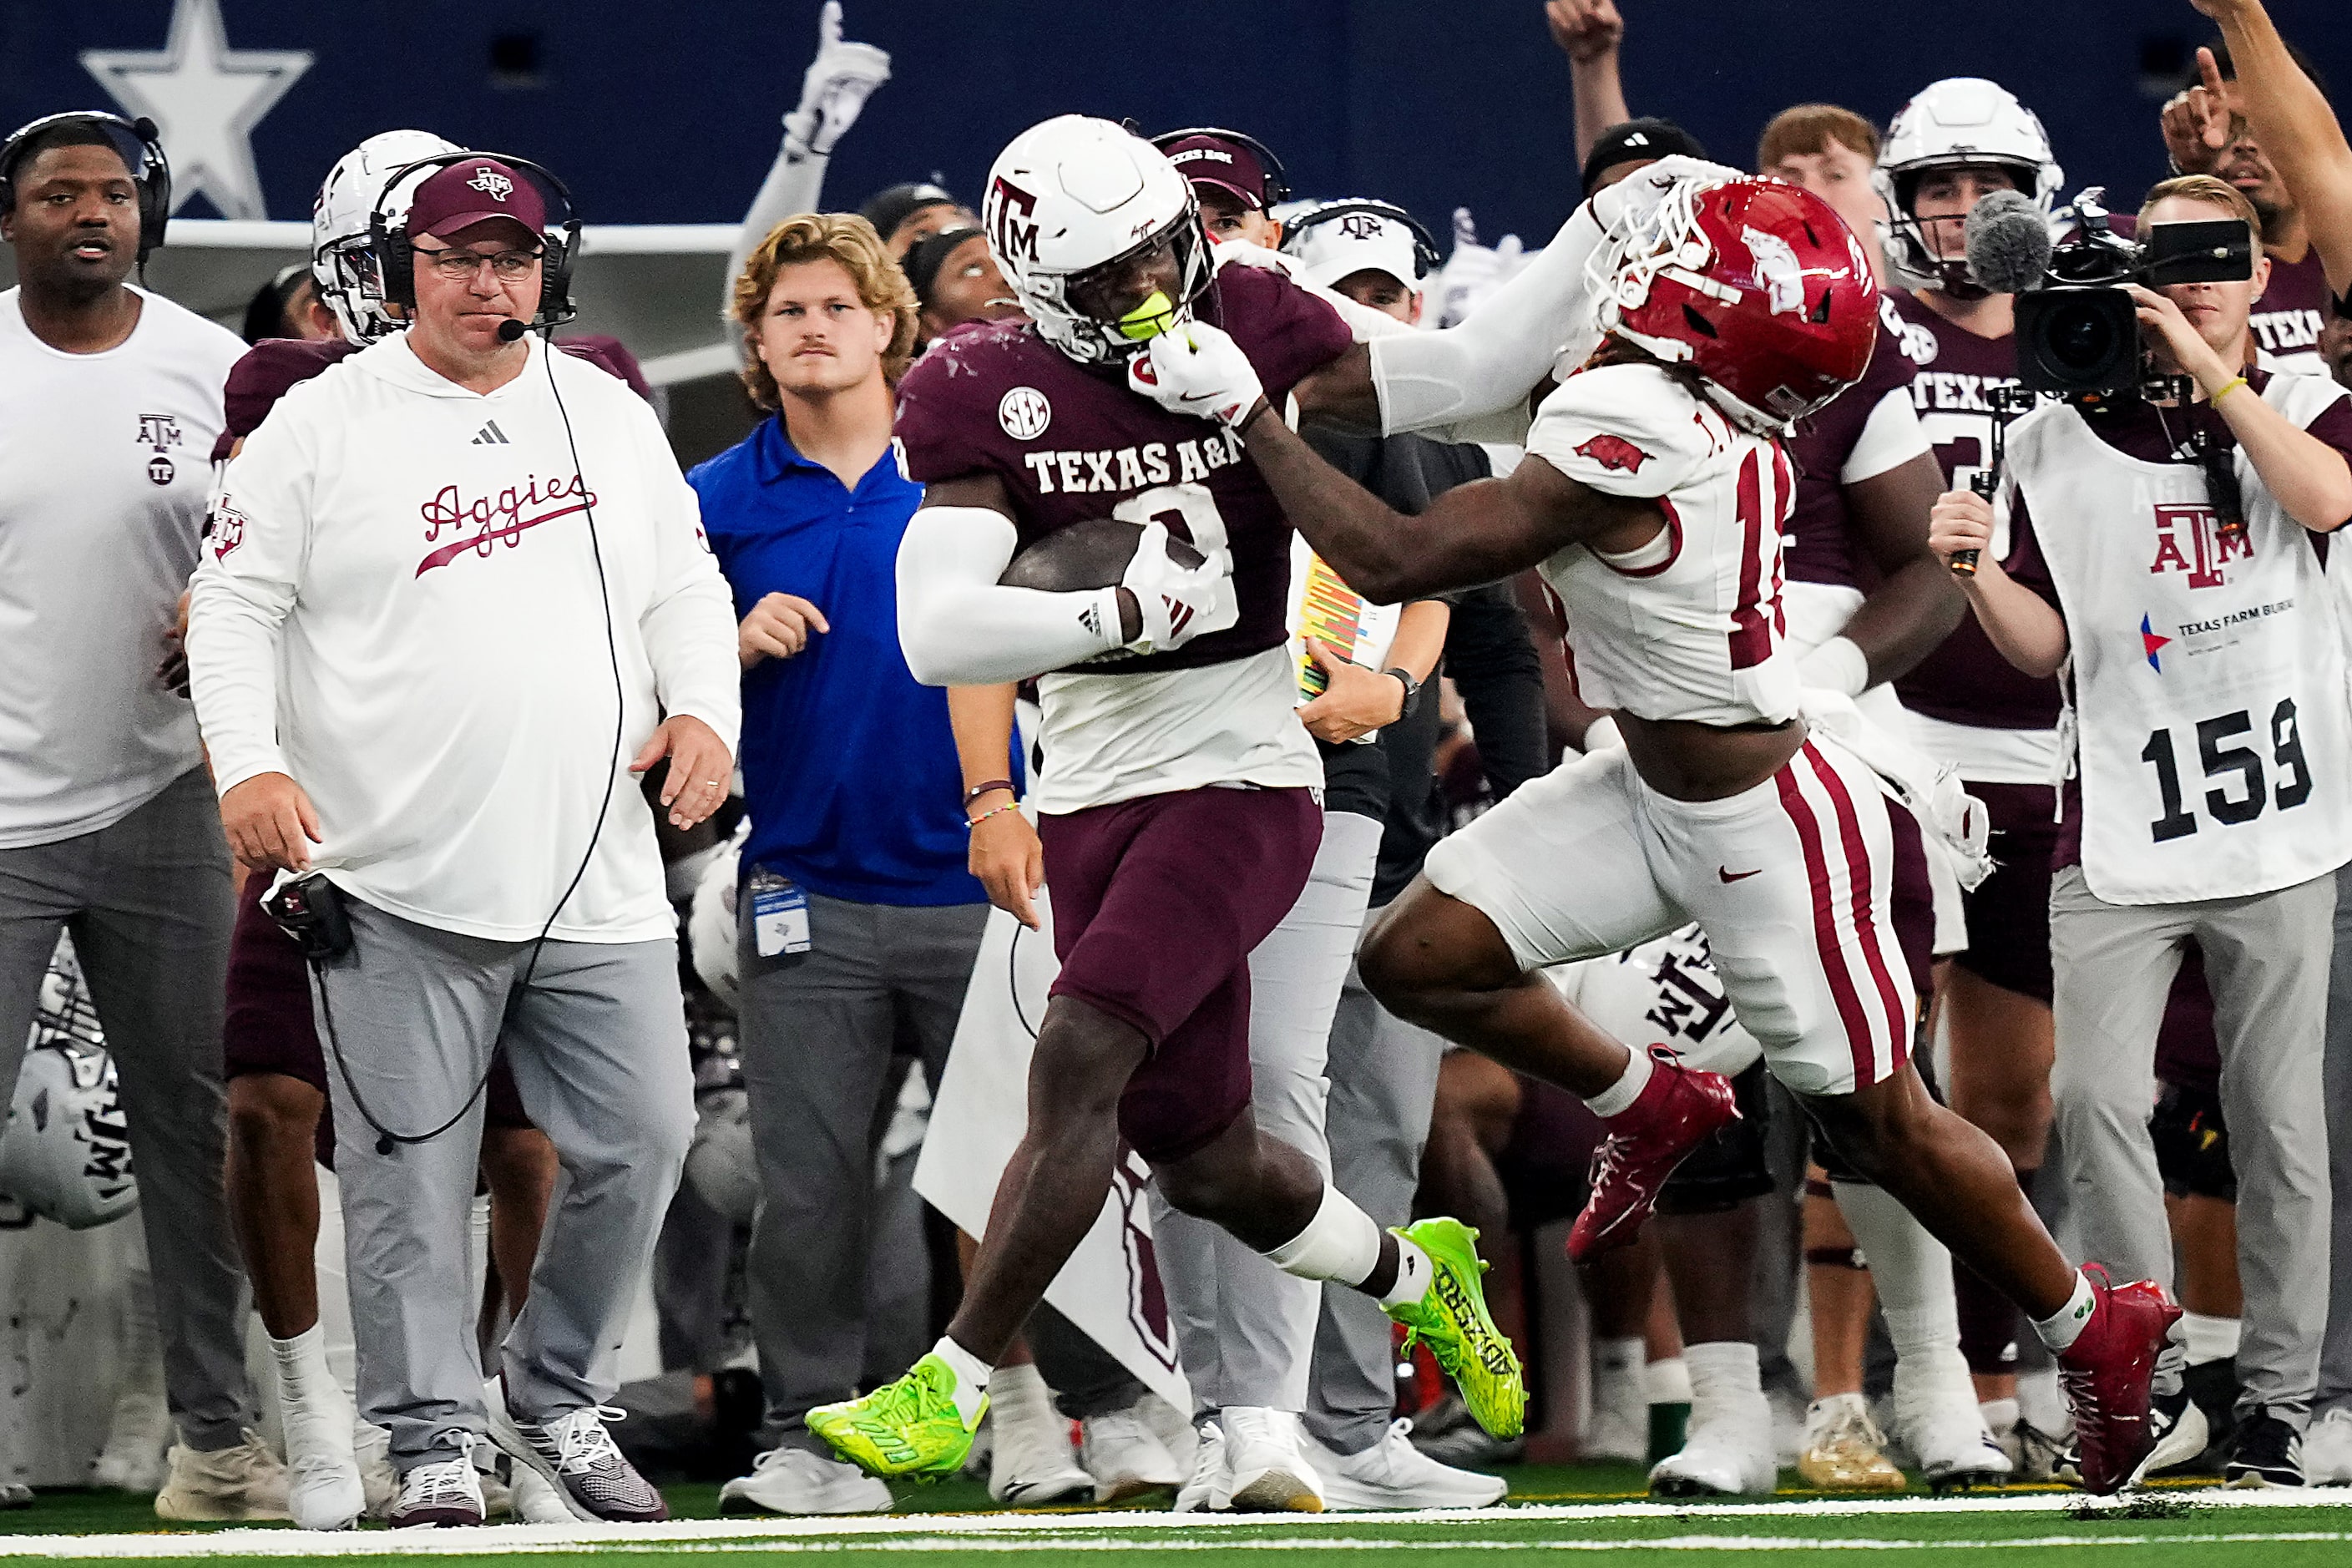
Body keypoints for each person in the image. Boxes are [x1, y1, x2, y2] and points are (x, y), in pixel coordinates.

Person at [1153, 164, 2181, 1497]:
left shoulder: (1637, 423)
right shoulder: (1663, 387)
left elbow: (1399, 556)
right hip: (1646, 783)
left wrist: (1246, 408)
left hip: (1768, 825)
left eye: (1679, 257)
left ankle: (2092, 1326)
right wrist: (1232, 297)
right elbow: (1447, 369)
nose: (1651, 257)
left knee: (1881, 1126)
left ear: (1700, 318)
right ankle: (1655, 1099)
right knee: (1418, 959)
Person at [809, 114, 1525, 1487]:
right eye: (1106, 270)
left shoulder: (1252, 313)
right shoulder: (978, 380)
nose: (1146, 283)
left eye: (1160, 248)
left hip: (1244, 778)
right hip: (1089, 791)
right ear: (1030, 280)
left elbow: (1462, 383)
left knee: (1080, 1052)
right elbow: (933, 634)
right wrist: (1110, 609)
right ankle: (1408, 1267)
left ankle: (949, 1381)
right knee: (1202, 1159)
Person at [186, 154, 741, 1527]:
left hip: (595, 869)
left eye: (509, 256)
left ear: (545, 271)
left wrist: (707, 713)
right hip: (393, 873)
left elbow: (685, 581)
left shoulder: (606, 412)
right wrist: (251, 763)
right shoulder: (326, 419)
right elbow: (233, 600)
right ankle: (431, 1429)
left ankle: (550, 1394)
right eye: (453, 255)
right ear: (399, 272)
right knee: (404, 1173)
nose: (484, 280)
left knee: (649, 1136)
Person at [1929, 170, 2352, 1491]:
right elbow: (2044, 646)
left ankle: (2279, 1403)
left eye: (2224, 256)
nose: (2202, 279)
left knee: (2280, 1123)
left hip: (2282, 819)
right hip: (2115, 822)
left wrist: (2205, 370)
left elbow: (2328, 501)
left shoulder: (2296, 398)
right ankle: (2148, 1368)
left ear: (2252, 275)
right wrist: (1972, 573)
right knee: (2094, 1097)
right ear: (2125, 276)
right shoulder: (2048, 436)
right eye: (2173, 262)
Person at [209, 129, 566, 1533]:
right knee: (269, 1100)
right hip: (325, 813)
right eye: (414, 259)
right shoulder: (289, 388)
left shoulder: (568, 390)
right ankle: (313, 1417)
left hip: (503, 819)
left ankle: (480, 1408)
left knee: (529, 1142)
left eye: (490, 255)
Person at [689, 212, 1001, 1517]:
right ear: (756, 343)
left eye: (836, 304)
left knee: (1014, 1170)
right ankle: (810, 1441)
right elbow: (636, 665)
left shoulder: (972, 468)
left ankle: (1050, 1418)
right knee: (807, 1191)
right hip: (803, 882)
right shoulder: (709, 498)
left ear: (889, 322)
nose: (812, 326)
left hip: (986, 878)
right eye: (785, 311)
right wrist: (720, 637)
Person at [0, 109, 286, 1522]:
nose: (92, 214)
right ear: (13, 218)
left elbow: (276, 545)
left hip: (171, 797)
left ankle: (218, 1445)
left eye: (113, 192)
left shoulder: (211, 364)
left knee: (192, 1126)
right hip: (0, 812)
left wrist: (218, 595)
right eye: (60, 194)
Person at [2183, 0, 2352, 1487]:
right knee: (2317, 1108)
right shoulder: (2309, 381)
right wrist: (2243, 16)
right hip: (2324, 775)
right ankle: (2328, 1385)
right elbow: (2320, 177)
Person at [2160, 26, 2335, 374]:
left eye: (2265, 127)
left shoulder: (2341, 263)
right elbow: (2230, 383)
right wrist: (2192, 177)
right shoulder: (2185, 278)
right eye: (2229, 129)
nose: (2244, 145)